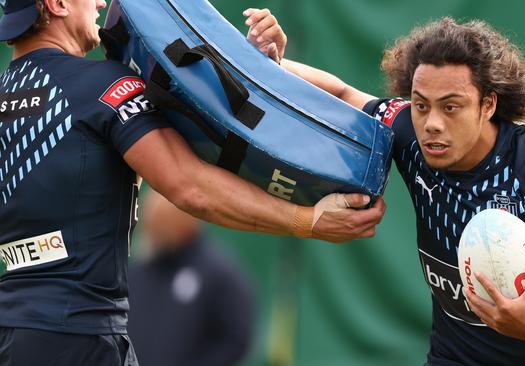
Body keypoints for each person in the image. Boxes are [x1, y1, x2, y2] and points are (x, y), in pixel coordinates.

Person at [0, 1, 386, 365]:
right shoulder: (102, 84)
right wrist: (308, 220)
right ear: (57, 4)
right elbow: (191, 186)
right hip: (78, 335)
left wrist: (255, 69)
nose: (100, 4)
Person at [244, 9, 525, 365]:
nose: (432, 122)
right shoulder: (410, 134)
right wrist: (268, 65)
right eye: (420, 104)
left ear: (487, 105)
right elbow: (343, 94)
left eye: (451, 106)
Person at [128, 189, 254, 366]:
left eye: (161, 228)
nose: (152, 237)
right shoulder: (138, 273)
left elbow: (236, 339)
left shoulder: (219, 274)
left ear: (187, 222)